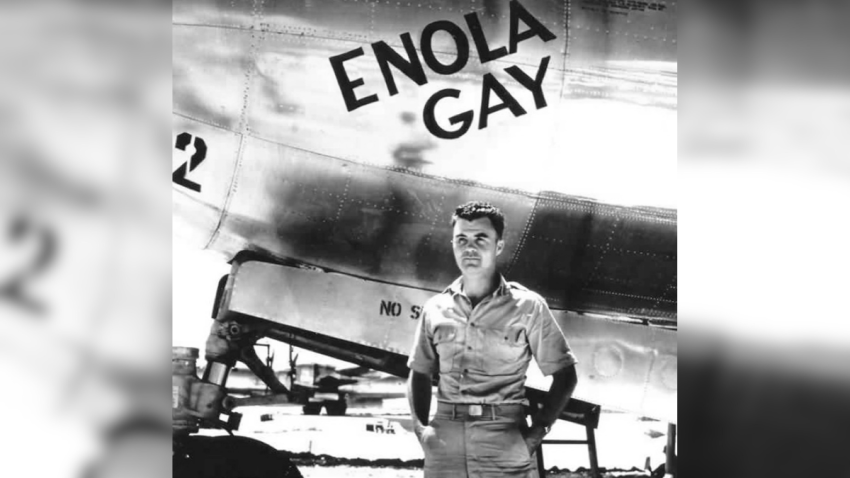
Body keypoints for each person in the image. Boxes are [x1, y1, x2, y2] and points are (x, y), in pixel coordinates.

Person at [406, 201, 579, 478]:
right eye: (461, 239)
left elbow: (565, 375)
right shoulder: (435, 308)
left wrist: (537, 433)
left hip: (504, 436)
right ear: (453, 244)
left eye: (480, 239)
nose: (469, 248)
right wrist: (421, 430)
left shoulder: (528, 306)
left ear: (498, 246)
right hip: (444, 440)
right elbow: (419, 373)